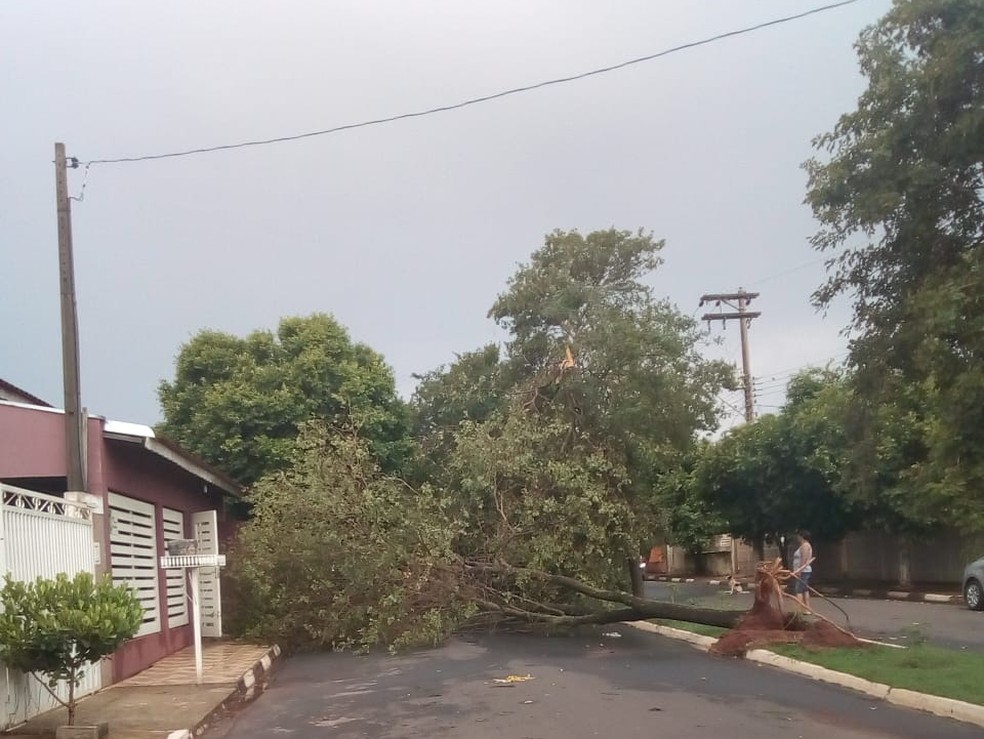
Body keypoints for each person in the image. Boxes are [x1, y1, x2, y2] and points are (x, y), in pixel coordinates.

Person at [792, 530, 814, 610]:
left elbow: (804, 559)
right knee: (804, 589)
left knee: (799, 590)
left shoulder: (805, 545)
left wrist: (799, 571)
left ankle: (798, 609)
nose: (797, 537)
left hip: (803, 571)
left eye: (798, 536)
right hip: (804, 571)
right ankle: (807, 608)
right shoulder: (804, 545)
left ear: (802, 536)